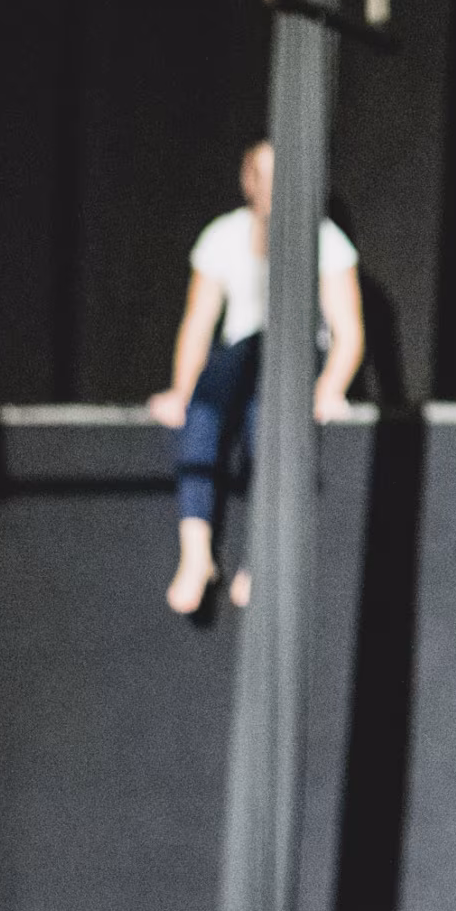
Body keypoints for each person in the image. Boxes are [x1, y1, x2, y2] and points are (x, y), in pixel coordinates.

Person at [146, 139, 365, 615]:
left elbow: (349, 332)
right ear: (248, 182)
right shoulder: (223, 236)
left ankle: (262, 556)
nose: (271, 188)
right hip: (239, 355)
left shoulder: (324, 239)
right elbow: (198, 323)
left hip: (297, 354)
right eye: (262, 176)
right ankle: (196, 551)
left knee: (267, 413)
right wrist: (183, 390)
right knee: (204, 407)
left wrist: (329, 389)